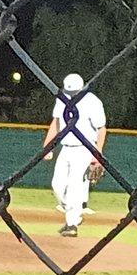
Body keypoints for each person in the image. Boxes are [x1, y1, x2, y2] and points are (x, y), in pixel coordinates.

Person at [43, 73, 107, 237]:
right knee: (57, 185)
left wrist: (97, 153)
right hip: (66, 147)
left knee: (74, 186)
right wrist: (47, 146)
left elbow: (101, 129)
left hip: (85, 148)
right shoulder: (62, 98)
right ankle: (74, 212)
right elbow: (56, 123)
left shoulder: (92, 101)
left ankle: (71, 224)